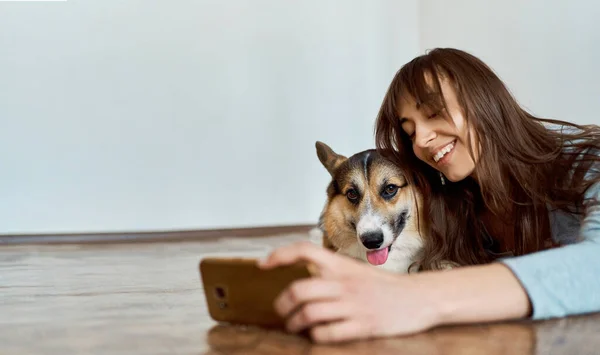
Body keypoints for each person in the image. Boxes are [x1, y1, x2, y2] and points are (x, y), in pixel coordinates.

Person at [259, 48, 600, 344]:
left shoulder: (585, 162)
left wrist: (417, 299)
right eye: (408, 131)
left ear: (485, 100)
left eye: (434, 112)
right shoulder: (450, 197)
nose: (421, 139)